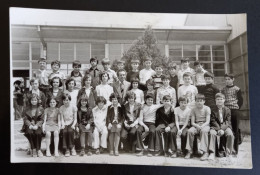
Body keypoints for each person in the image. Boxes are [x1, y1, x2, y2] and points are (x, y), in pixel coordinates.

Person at [221, 73, 243, 155]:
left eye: (229, 79)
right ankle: (225, 149)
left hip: (234, 110)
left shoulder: (237, 89)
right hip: (226, 110)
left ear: (233, 79)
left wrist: (237, 108)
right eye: (226, 79)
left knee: (235, 129)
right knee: (225, 128)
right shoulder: (223, 89)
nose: (227, 81)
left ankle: (235, 150)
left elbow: (240, 100)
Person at [208, 93, 234, 160]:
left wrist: (222, 129)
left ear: (224, 100)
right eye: (218, 99)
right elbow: (212, 120)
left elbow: (228, 121)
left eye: (221, 99)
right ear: (215, 100)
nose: (219, 100)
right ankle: (212, 153)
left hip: (225, 127)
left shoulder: (227, 110)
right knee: (212, 133)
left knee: (230, 134)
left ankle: (229, 153)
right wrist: (219, 129)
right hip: (215, 126)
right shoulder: (212, 109)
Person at [185, 94, 211, 161]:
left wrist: (202, 126)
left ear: (204, 101)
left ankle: (205, 152)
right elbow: (192, 122)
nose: (199, 102)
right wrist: (197, 126)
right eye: (197, 101)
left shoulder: (207, 108)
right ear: (195, 102)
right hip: (196, 125)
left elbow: (208, 121)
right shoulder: (193, 109)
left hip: (205, 125)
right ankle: (190, 151)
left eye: (201, 101)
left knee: (204, 131)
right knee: (190, 131)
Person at [22, 93, 44, 157]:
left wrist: (37, 125)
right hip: (29, 125)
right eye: (32, 100)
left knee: (38, 133)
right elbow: (25, 118)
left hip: (38, 125)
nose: (33, 101)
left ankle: (38, 149)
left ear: (37, 100)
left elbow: (42, 119)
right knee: (29, 132)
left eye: (35, 100)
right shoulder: (26, 108)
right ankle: (33, 149)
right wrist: (29, 125)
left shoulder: (41, 108)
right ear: (30, 100)